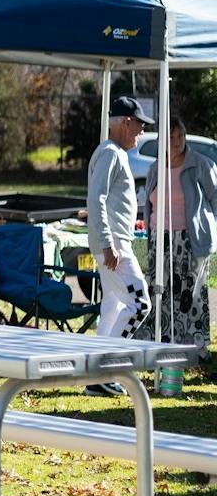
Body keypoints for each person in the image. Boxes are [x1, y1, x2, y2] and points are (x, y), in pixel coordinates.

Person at [86, 95, 156, 394]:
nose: (141, 134)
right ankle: (107, 370)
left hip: (113, 242)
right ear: (125, 123)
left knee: (113, 307)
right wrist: (106, 243)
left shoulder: (112, 153)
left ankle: (95, 377)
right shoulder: (111, 153)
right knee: (140, 304)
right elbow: (97, 198)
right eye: (139, 126)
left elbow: (102, 198)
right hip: (113, 245)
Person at [143, 116, 217, 359]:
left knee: (191, 294)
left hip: (190, 239)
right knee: (160, 292)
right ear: (161, 141)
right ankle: (161, 341)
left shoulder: (200, 164)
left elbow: (215, 198)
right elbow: (149, 202)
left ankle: (196, 348)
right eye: (171, 137)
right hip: (159, 237)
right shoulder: (155, 167)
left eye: (180, 135)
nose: (176, 141)